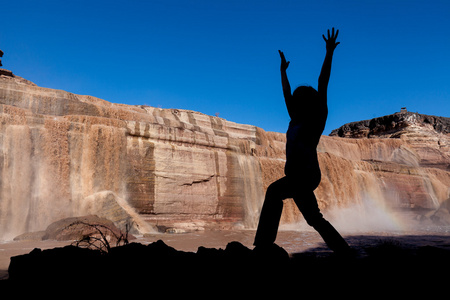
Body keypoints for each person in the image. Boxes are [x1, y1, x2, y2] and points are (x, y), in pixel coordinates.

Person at [254, 28, 351, 255]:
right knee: (314, 219)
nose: (294, 101)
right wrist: (282, 71)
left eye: (299, 98)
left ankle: (263, 245)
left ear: (308, 102)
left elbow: (323, 81)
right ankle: (344, 251)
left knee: (273, 192)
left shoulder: (317, 120)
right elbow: (285, 92)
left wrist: (329, 53)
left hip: (306, 175)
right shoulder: (295, 118)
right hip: (297, 176)